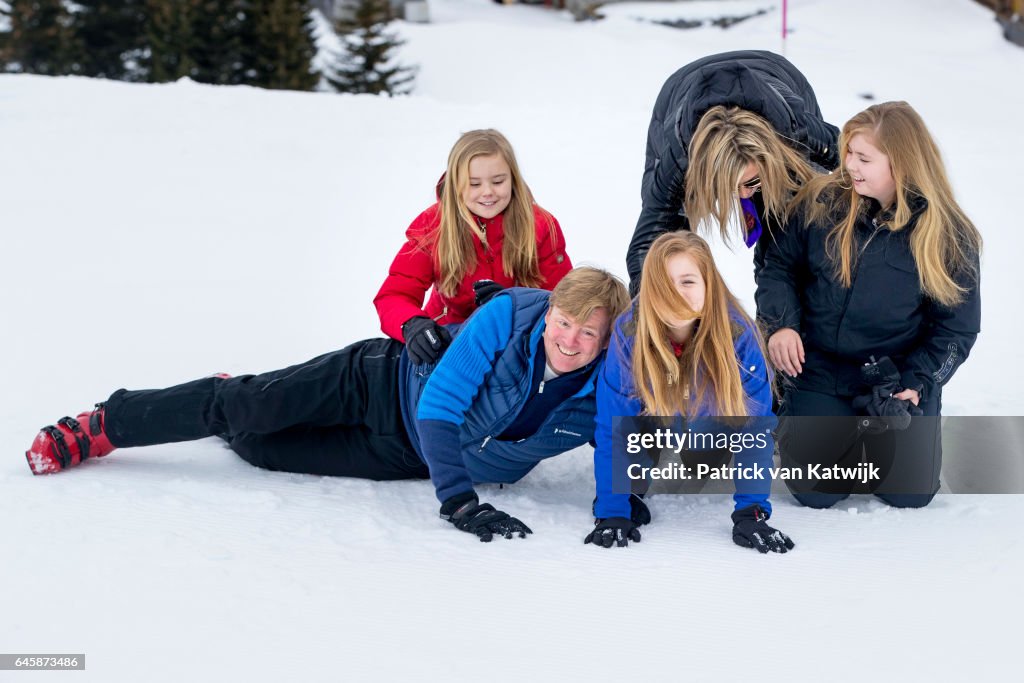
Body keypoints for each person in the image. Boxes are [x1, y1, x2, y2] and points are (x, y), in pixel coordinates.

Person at [26, 267, 630, 543]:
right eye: (564, 321)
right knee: (246, 411)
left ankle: (226, 396)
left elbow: (620, 444)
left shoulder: (599, 386)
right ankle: (107, 423)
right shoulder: (509, 315)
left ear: (606, 341)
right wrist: (462, 504)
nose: (569, 339)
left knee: (264, 449)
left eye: (587, 333)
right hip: (377, 380)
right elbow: (443, 406)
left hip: (404, 455)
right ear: (548, 309)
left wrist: (621, 509)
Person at [755, 101, 982, 509]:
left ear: (903, 162)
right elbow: (779, 268)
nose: (850, 166)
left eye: (864, 158)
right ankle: (801, 412)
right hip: (821, 367)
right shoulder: (820, 202)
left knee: (908, 494)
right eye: (848, 153)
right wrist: (782, 325)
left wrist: (918, 381)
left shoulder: (948, 235)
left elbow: (956, 328)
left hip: (893, 377)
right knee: (816, 492)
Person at [588, 232, 794, 553]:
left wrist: (751, 511)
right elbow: (614, 427)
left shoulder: (738, 334)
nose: (675, 293)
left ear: (708, 285)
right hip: (652, 424)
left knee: (700, 464)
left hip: (709, 425)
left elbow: (754, 428)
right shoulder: (630, 331)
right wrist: (612, 511)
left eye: (687, 281)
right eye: (664, 283)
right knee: (633, 480)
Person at [626, 50, 839, 295]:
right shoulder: (679, 155)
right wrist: (646, 308)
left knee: (801, 216)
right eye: (727, 187)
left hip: (775, 73)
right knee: (671, 242)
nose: (744, 196)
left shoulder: (793, 129)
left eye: (753, 181)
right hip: (678, 92)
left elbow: (853, 156)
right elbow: (648, 241)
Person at [374, 128, 573, 365]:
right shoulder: (433, 226)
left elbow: (561, 301)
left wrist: (515, 303)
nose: (487, 192)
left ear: (513, 179)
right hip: (447, 340)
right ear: (456, 184)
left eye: (498, 181)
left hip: (514, 341)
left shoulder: (541, 226)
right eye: (474, 184)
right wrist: (411, 324)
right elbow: (395, 294)